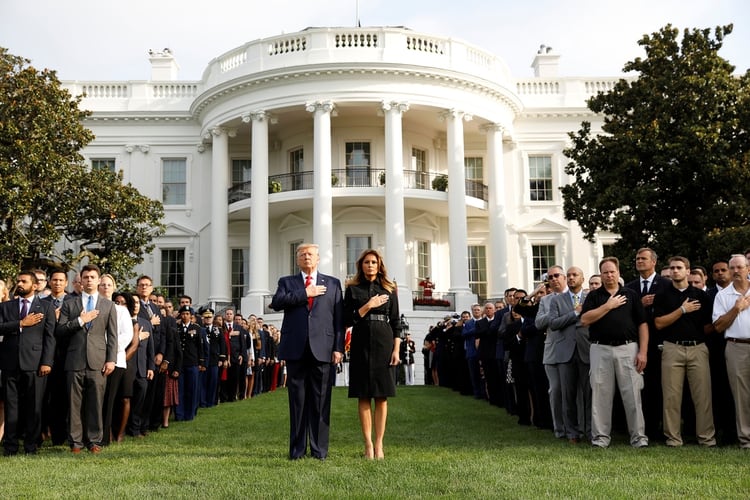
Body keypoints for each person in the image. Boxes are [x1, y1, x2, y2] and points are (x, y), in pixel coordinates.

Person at [270, 243, 344, 461]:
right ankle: (297, 450)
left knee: (321, 403)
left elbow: (339, 319)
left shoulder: (332, 283)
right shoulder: (287, 282)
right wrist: (305, 293)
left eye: (310, 254)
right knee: (297, 402)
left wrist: (338, 347)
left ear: (318, 258)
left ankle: (319, 450)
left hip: (323, 349)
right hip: (295, 349)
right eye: (302, 254)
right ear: (297, 259)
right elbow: (276, 303)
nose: (306, 257)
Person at [581, 257, 648, 448]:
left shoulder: (631, 294)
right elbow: (585, 320)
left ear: (618, 273)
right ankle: (600, 438)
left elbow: (642, 324)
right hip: (600, 349)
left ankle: (639, 438)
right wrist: (607, 306)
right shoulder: (594, 296)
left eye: (612, 271)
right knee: (600, 395)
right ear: (600, 275)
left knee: (633, 396)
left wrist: (643, 352)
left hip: (628, 349)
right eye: (605, 272)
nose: (609, 275)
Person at [343, 249, 401, 460]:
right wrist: (368, 306)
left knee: (382, 396)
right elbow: (347, 319)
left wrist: (396, 349)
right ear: (361, 265)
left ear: (379, 265)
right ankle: (367, 445)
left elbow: (396, 322)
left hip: (384, 342)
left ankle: (379, 445)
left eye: (374, 262)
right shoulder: (352, 289)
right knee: (364, 394)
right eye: (367, 262)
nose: (370, 265)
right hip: (360, 342)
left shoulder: (389, 288)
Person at [653, 256, 715, 447]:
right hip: (672, 348)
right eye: (672, 268)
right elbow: (659, 323)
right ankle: (673, 438)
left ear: (688, 271)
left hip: (698, 348)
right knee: (671, 396)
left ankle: (706, 438)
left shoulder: (701, 295)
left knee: (703, 396)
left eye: (679, 268)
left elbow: (709, 326)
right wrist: (682, 310)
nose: (675, 271)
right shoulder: (662, 295)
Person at [55, 264, 118, 454]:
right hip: (74, 360)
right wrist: (81, 320)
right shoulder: (69, 303)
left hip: (98, 360)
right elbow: (60, 330)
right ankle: (75, 442)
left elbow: (113, 336)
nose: (89, 280)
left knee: (96, 402)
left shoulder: (109, 305)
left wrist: (111, 360)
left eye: (92, 277)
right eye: (86, 277)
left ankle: (94, 441)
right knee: (74, 403)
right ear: (80, 281)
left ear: (99, 280)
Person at [0, 271, 56, 455]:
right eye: (18, 281)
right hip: (10, 363)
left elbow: (50, 337)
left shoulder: (46, 307)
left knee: (34, 406)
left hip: (35, 364)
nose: (19, 284)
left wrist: (47, 362)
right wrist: (20, 323)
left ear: (34, 285)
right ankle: (10, 446)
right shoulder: (6, 307)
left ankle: (31, 446)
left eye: (24, 281)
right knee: (11, 406)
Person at [712, 254, 750, 449]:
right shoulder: (722, 296)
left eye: (740, 267)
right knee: (741, 394)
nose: (736, 271)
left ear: (748, 269)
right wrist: (737, 309)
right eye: (732, 268)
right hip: (736, 346)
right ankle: (746, 439)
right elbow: (718, 327)